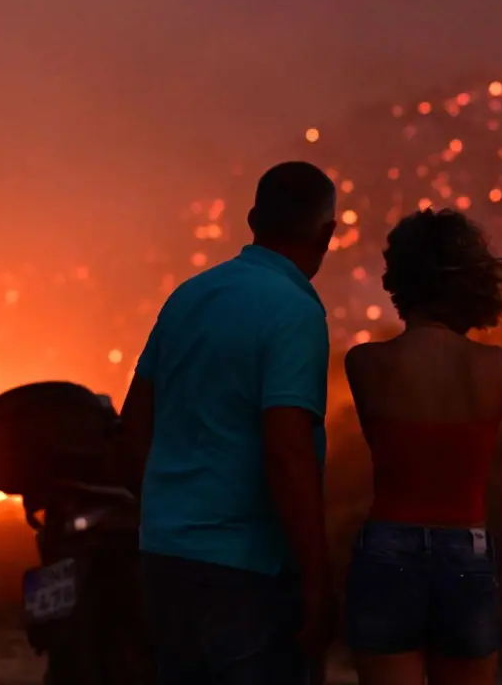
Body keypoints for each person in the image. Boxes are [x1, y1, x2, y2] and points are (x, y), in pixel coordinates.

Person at [120, 161, 339, 685]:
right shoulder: (295, 313)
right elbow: (287, 452)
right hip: (248, 573)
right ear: (327, 233)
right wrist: (317, 577)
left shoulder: (189, 297)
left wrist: (165, 517)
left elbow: (133, 429)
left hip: (165, 561)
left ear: (252, 220)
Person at [343, 208, 502, 685]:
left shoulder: (365, 363)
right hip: (465, 551)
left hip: (387, 549)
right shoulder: (497, 367)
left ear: (398, 278)